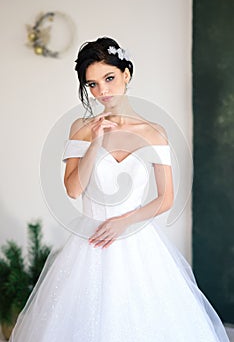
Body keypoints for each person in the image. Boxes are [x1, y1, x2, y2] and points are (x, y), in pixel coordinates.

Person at [9, 37, 230, 341]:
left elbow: (166, 198)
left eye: (109, 78)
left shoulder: (154, 132)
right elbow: (73, 189)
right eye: (93, 85)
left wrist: (124, 222)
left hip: (137, 242)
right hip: (90, 243)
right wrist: (96, 143)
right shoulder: (81, 128)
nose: (103, 91)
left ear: (126, 74)